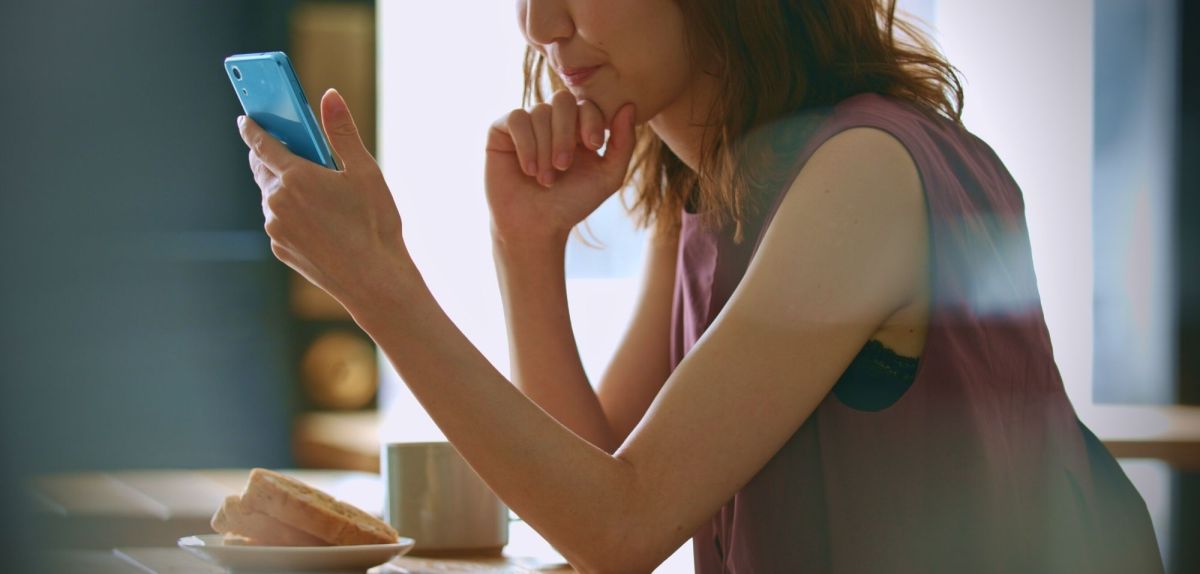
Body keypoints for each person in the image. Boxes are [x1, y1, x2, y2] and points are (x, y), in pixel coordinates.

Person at [236, 0, 1164, 571]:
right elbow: (590, 517)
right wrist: (526, 250)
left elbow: (620, 527)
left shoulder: (865, 173)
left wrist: (380, 286)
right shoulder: (710, 197)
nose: (541, 22)